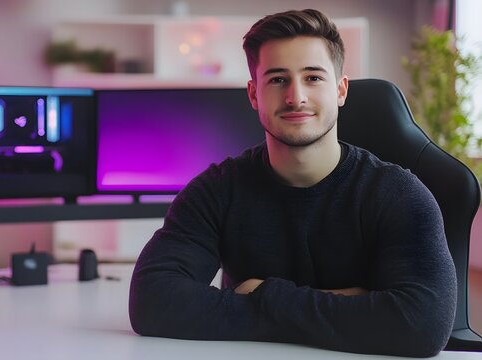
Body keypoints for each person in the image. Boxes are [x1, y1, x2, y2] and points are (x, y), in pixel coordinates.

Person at [128, 8, 456, 358]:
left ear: (341, 90)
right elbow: (151, 300)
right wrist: (354, 304)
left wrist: (264, 294)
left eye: (313, 77)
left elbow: (424, 325)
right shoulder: (216, 191)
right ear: (254, 95)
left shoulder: (398, 194)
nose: (295, 97)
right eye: (278, 79)